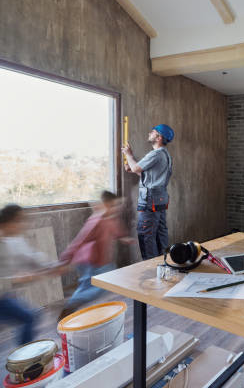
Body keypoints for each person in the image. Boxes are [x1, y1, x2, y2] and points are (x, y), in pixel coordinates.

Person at [58, 191, 133, 320]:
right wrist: (66, 258)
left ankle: (73, 301)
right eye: (112, 206)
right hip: (89, 260)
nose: (115, 209)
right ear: (105, 205)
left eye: (116, 206)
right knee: (93, 287)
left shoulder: (111, 219)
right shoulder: (96, 220)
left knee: (100, 283)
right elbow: (81, 239)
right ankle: (70, 306)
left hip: (103, 261)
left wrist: (124, 238)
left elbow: (116, 232)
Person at [0, 204, 66, 345]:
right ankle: (24, 356)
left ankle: (24, 355)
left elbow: (32, 256)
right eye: (20, 221)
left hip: (4, 296)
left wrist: (54, 266)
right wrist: (13, 280)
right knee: (29, 316)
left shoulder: (14, 240)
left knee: (31, 316)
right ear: (7, 222)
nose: (23, 225)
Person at [122, 124, 174, 260]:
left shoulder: (156, 154)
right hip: (160, 199)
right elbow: (149, 176)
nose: (149, 133)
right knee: (159, 233)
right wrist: (132, 166)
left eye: (153, 132)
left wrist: (129, 155)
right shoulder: (166, 155)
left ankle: (151, 268)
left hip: (150, 200)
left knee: (146, 234)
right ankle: (163, 265)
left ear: (159, 137)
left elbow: (135, 168)